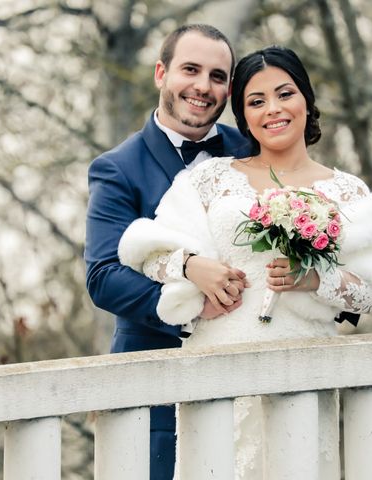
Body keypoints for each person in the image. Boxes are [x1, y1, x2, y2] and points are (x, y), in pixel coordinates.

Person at [118, 45, 372, 478]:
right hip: (216, 368)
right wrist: (190, 266)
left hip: (303, 371)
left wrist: (316, 278)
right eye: (256, 101)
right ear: (243, 115)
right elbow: (146, 252)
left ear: (306, 100)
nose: (273, 109)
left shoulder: (346, 192)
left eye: (285, 94)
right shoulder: (209, 179)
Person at [84, 24, 252, 480]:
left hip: (250, 379)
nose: (203, 86)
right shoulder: (117, 168)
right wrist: (192, 297)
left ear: (229, 89)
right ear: (162, 73)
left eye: (217, 76)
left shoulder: (252, 150)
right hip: (153, 387)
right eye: (190, 70)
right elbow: (102, 276)